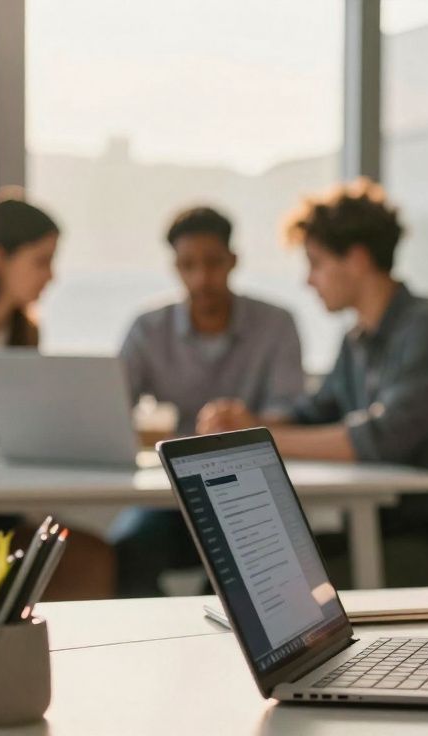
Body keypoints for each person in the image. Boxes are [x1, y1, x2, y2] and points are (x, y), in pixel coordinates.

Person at [197, 179, 428, 587]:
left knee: (271, 586)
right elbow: (312, 414)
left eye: (316, 263)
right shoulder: (357, 338)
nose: (309, 280)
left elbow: (382, 437)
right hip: (382, 531)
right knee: (236, 574)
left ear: (356, 259)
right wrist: (243, 422)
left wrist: (257, 436)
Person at [110, 206, 305, 596]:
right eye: (188, 266)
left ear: (233, 261)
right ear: (175, 267)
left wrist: (247, 422)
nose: (202, 278)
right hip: (171, 496)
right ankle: (158, 643)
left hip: (250, 490)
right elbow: (112, 410)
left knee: (243, 570)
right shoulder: (148, 329)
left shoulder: (276, 324)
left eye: (213, 263)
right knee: (128, 550)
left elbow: (293, 415)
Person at [0, 189, 115, 601]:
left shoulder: (24, 334)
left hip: (0, 510)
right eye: (41, 261)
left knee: (89, 558)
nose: (51, 276)